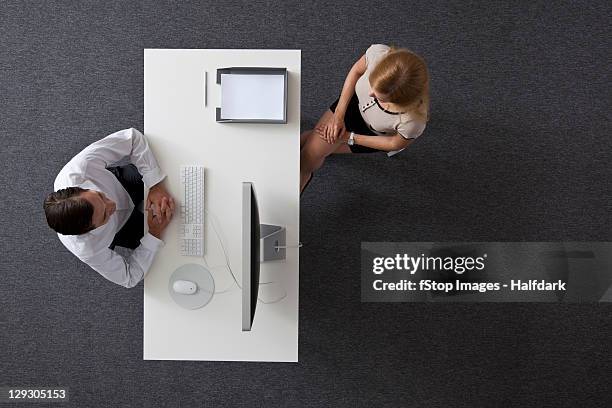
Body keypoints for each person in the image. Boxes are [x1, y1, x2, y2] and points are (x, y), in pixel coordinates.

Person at [43, 128, 175, 288]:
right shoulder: (88, 249)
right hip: (123, 229)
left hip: (124, 183)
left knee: (175, 176)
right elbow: (130, 277)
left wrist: (155, 184)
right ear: (88, 231)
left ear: (82, 187)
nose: (112, 204)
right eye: (105, 215)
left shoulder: (78, 169)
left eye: (100, 196)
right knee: (175, 242)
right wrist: (154, 234)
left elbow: (132, 138)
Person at [300, 44, 430, 192]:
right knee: (309, 141)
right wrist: (339, 113)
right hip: (350, 105)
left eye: (380, 98)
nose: (370, 95)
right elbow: (356, 71)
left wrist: (349, 137)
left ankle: (300, 184)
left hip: (369, 135)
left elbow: (395, 143)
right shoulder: (378, 55)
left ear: (401, 102)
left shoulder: (413, 121)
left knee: (309, 156)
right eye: (372, 86)